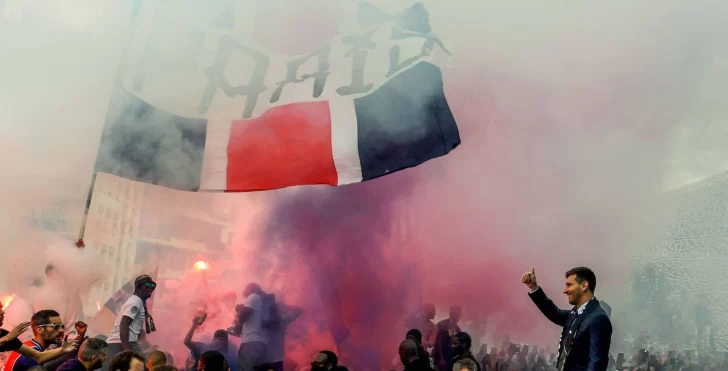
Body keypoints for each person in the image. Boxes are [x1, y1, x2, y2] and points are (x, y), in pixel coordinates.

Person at [522, 267, 612, 371]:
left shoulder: (598, 318)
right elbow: (554, 313)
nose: (565, 290)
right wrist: (534, 288)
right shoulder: (576, 313)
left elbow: (597, 364)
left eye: (569, 285)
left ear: (584, 286)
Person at [104, 275, 156, 370]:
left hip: (117, 343)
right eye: (147, 285)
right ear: (138, 287)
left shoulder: (136, 301)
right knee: (143, 367)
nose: (151, 288)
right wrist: (128, 351)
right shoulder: (136, 301)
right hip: (123, 343)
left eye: (153, 285)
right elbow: (124, 324)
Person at [4, 310, 79, 371]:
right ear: (39, 330)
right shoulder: (31, 354)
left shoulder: (28, 345)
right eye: (56, 326)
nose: (61, 330)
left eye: (62, 326)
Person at [232, 284, 268, 371]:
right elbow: (237, 331)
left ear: (249, 289)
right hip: (258, 343)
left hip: (251, 342)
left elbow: (243, 316)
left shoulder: (253, 297)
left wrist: (240, 310)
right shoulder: (261, 302)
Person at [263, 302, 302, 371]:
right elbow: (299, 310)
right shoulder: (282, 321)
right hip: (277, 358)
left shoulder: (263, 323)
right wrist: (287, 307)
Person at [433, 306, 461, 371]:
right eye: (456, 313)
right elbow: (438, 341)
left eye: (459, 314)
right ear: (451, 314)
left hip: (450, 357)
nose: (458, 316)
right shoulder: (443, 324)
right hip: (440, 356)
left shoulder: (458, 328)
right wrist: (441, 357)